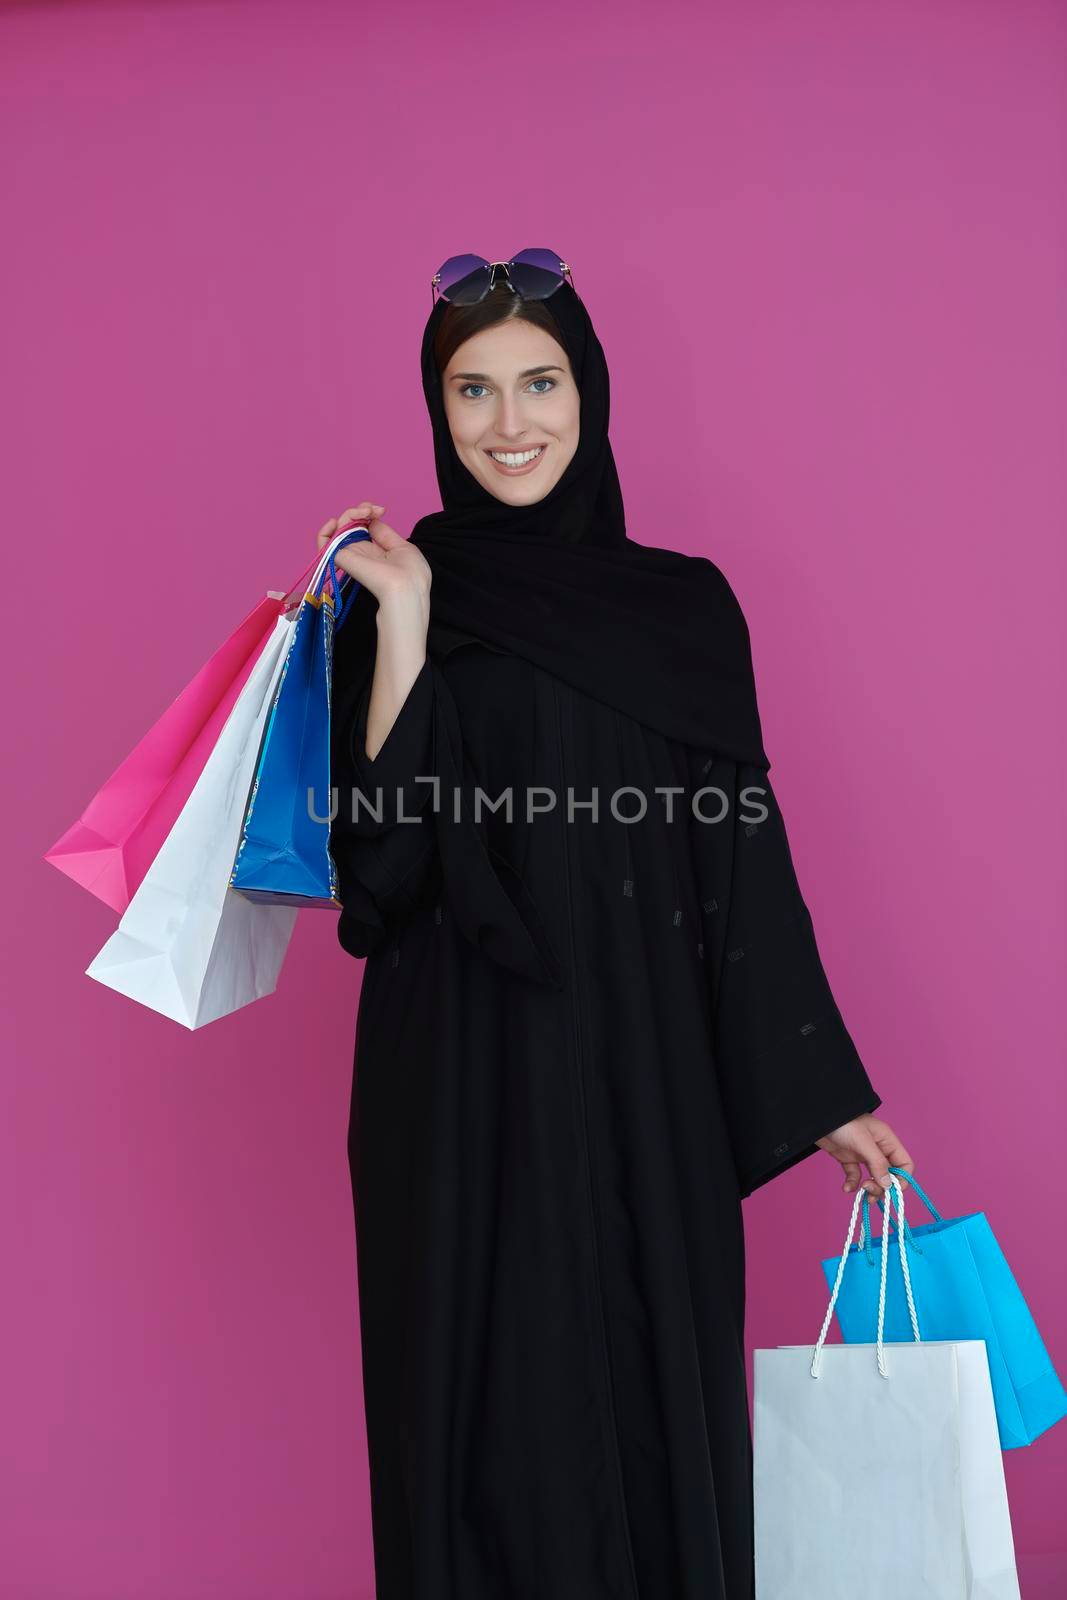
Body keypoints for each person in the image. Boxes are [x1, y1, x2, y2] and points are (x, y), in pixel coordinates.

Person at [317, 258, 913, 1600]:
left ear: (589, 394)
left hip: (647, 1084)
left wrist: (821, 1088)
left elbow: (740, 863)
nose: (508, 424)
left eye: (540, 383)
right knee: (474, 1431)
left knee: (654, 1422)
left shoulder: (684, 611)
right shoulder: (395, 597)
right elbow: (381, 874)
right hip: (456, 1089)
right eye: (472, 392)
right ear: (437, 409)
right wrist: (404, 619)